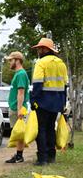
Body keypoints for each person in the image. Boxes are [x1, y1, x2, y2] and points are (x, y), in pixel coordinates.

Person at [30, 37, 68, 166]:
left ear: (46, 49)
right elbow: (65, 85)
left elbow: (37, 84)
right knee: (51, 128)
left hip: (43, 101)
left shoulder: (41, 63)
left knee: (41, 129)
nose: (39, 50)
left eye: (40, 48)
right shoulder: (61, 63)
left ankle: (42, 159)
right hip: (57, 102)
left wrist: (33, 99)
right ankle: (51, 156)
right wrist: (63, 103)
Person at [4, 51, 30, 164]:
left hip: (17, 108)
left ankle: (19, 156)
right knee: (17, 132)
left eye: (11, 60)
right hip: (15, 107)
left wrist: (19, 110)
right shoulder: (18, 73)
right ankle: (18, 155)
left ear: (17, 60)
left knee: (18, 133)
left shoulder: (20, 74)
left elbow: (21, 93)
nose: (9, 62)